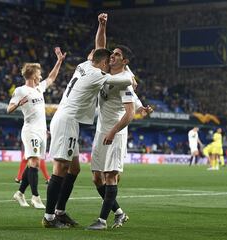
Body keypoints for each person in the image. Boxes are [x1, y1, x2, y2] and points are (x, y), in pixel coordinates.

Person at [42, 47, 133, 228]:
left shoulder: (83, 65)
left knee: (73, 169)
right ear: (104, 63)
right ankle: (49, 217)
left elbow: (97, 51)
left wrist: (101, 27)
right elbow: (124, 79)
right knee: (60, 168)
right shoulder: (97, 75)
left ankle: (60, 211)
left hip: (69, 119)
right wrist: (131, 76)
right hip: (67, 121)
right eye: (109, 60)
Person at [87, 13, 153, 230]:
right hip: (101, 131)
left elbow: (129, 114)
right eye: (112, 54)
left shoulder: (125, 83)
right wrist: (102, 26)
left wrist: (113, 131)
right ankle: (119, 213)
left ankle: (102, 221)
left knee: (110, 176)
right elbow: (99, 47)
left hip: (115, 133)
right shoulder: (106, 71)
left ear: (125, 61)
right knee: (97, 179)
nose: (112, 56)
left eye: (116, 54)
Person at [8, 47, 66, 209]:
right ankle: (36, 197)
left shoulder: (39, 88)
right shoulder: (21, 90)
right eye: (39, 73)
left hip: (42, 131)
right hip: (30, 130)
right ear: (33, 75)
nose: (41, 75)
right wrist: (18, 104)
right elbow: (9, 109)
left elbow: (52, 77)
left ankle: (19, 193)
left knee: (34, 162)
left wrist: (59, 61)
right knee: (33, 161)